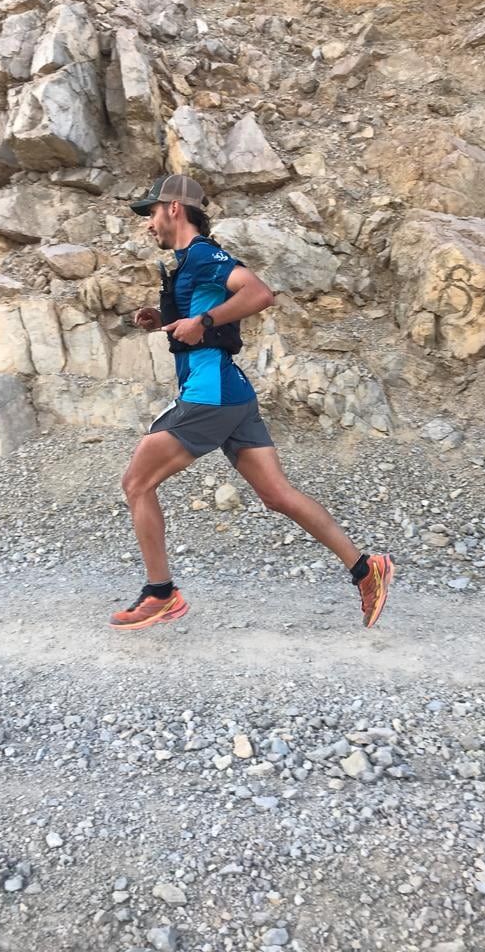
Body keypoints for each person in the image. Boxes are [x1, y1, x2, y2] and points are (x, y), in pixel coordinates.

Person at [109, 173, 394, 632]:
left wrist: (202, 318)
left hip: (210, 394)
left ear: (175, 209)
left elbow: (259, 293)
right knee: (276, 494)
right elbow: (205, 317)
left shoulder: (202, 254)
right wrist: (165, 319)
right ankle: (366, 569)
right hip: (232, 394)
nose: (149, 225)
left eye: (152, 213)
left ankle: (161, 593)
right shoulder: (189, 262)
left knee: (137, 483)